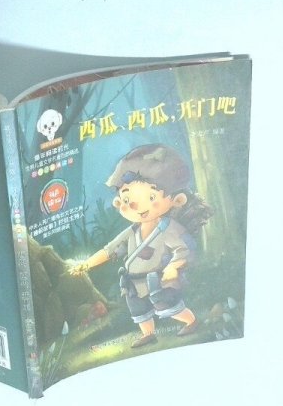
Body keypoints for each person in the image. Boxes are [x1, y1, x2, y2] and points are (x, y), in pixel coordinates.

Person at [71, 144, 211, 347]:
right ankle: (148, 334)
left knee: (168, 306)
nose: (135, 206)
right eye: (127, 199)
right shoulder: (132, 231)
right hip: (133, 281)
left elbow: (183, 249)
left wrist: (173, 267)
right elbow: (110, 250)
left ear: (176, 200)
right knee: (139, 310)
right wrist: (87, 264)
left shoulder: (168, 228)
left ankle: (191, 321)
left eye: (150, 197)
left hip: (159, 279)